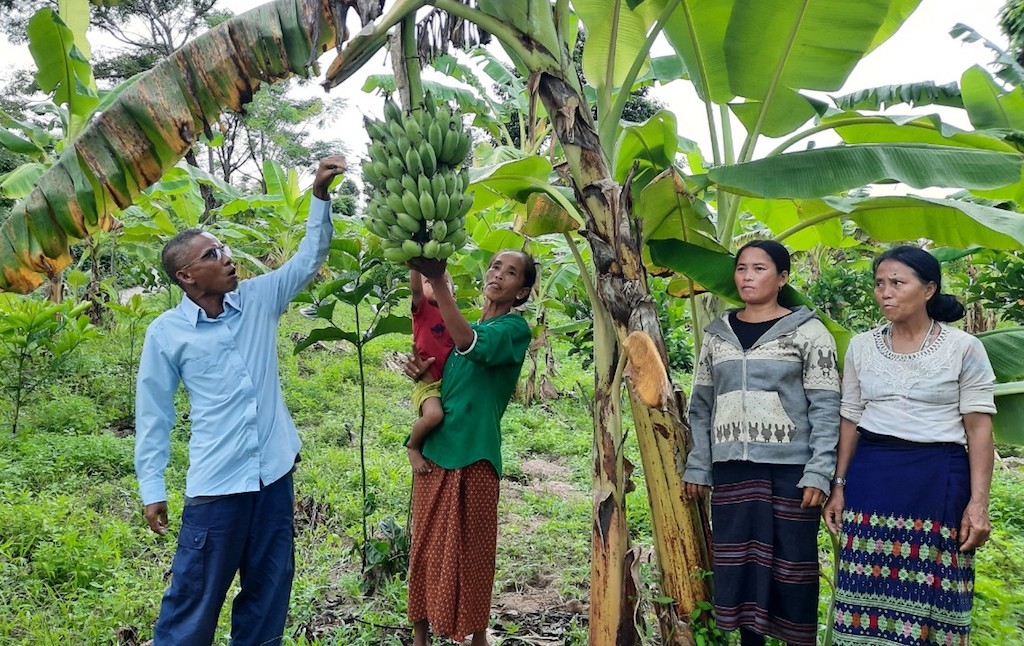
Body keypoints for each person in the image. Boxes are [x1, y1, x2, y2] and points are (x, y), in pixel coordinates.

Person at [133, 156, 347, 646]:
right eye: (212, 255)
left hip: (272, 475)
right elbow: (154, 415)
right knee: (193, 600)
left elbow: (308, 259)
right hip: (217, 484)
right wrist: (152, 487)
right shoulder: (166, 334)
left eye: (223, 248)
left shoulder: (258, 299)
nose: (226, 257)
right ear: (187, 277)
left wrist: (318, 195)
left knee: (268, 594)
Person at [823, 245, 995, 646]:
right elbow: (850, 418)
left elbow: (978, 428)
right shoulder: (863, 347)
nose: (885, 292)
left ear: (929, 289)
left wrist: (979, 502)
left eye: (897, 283)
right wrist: (839, 485)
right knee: (865, 583)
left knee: (939, 585)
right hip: (873, 475)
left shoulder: (964, 348)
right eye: (879, 283)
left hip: (939, 477)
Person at [682, 239, 840, 646]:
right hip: (732, 467)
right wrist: (699, 464)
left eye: (759, 269)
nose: (747, 277)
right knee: (742, 564)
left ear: (782, 277)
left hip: (792, 471)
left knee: (792, 567)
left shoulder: (809, 332)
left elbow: (825, 407)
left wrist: (820, 471)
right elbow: (701, 405)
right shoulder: (717, 336)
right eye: (741, 268)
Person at [402, 250, 537, 646]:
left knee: (473, 555)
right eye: (495, 266)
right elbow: (444, 380)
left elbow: (469, 343)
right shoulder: (470, 323)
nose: (498, 274)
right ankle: (420, 636)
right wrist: (419, 374)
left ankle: (477, 637)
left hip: (477, 456)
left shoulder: (514, 330)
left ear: (522, 290)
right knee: (425, 547)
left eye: (511, 273)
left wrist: (439, 282)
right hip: (435, 452)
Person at [406, 268, 456, 473]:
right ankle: (413, 446)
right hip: (428, 383)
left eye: (443, 282)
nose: (437, 285)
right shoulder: (423, 309)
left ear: (454, 292)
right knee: (434, 415)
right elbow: (416, 291)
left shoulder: (455, 316)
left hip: (449, 384)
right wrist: (416, 266)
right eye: (430, 282)